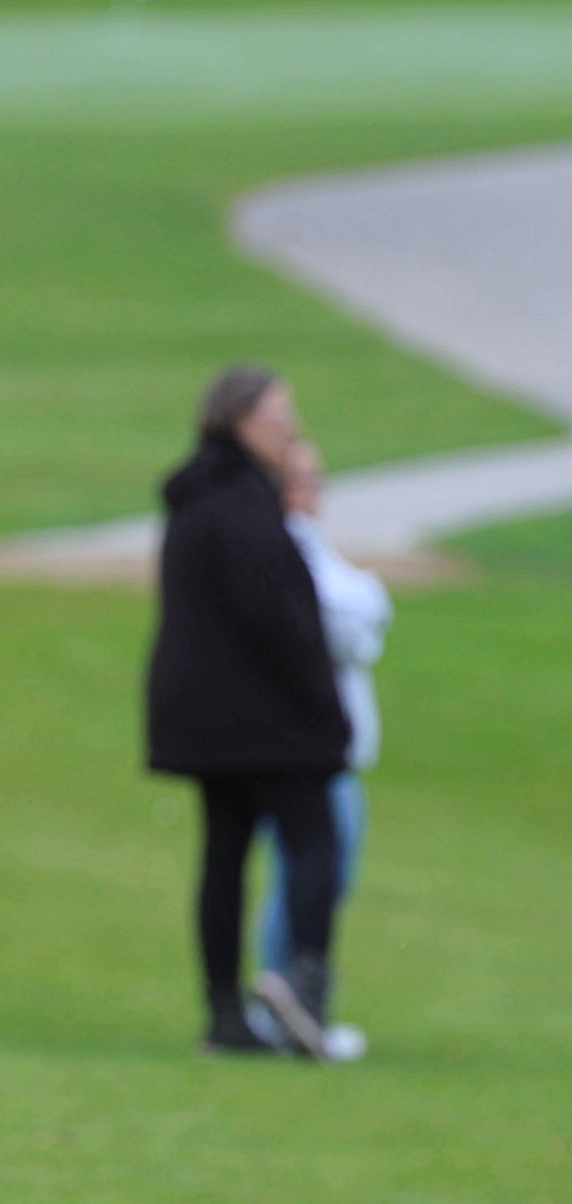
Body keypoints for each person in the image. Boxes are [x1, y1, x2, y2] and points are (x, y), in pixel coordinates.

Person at [146, 367, 350, 1059]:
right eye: (279, 413)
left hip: (203, 721)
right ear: (240, 420)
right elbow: (281, 621)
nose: (289, 426)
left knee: (225, 855)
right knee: (314, 839)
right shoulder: (242, 505)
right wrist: (327, 710)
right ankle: (305, 990)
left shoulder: (194, 498)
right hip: (267, 721)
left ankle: (225, 1012)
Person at [246, 438, 391, 1061]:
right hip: (312, 753)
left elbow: (364, 606)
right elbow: (350, 616)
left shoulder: (306, 546)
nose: (313, 494)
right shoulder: (282, 547)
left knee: (316, 878)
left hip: (330, 751)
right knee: (308, 880)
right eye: (302, 481)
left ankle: (286, 1006)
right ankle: (286, 1007)